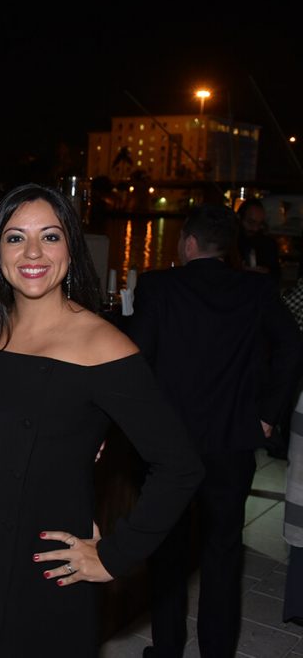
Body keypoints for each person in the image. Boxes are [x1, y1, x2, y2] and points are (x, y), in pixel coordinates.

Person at [0, 183, 203, 656]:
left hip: (46, 567)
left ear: (71, 249)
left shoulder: (103, 344)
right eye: (16, 237)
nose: (33, 252)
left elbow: (180, 465)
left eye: (51, 237)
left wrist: (115, 555)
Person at [127, 202, 302, 657]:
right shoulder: (256, 289)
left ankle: (166, 649)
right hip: (231, 441)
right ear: (227, 248)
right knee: (222, 552)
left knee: (168, 551)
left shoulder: (157, 286)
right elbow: (291, 344)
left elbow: (138, 356)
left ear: (187, 243)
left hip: (171, 446)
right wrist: (267, 413)